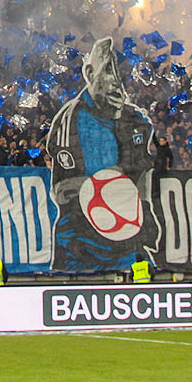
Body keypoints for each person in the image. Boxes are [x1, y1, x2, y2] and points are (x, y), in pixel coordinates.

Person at [46, 37, 159, 274]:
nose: (118, 87)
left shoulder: (135, 121)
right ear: (89, 73)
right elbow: (62, 189)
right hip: (81, 246)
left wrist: (143, 212)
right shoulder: (71, 119)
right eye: (109, 73)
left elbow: (142, 174)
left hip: (127, 243)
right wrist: (104, 187)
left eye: (124, 79)